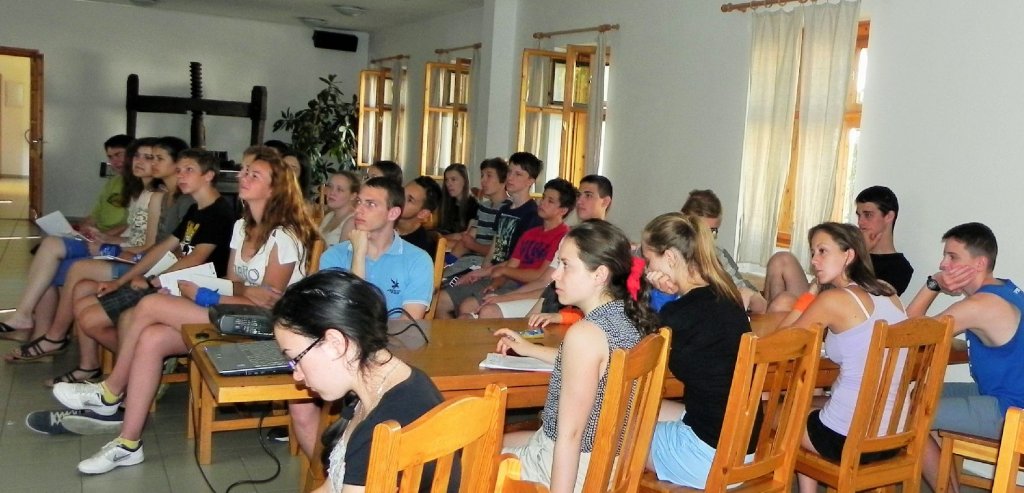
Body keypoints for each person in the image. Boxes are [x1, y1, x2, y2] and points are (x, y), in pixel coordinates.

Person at [50, 147, 317, 474]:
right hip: (234, 315)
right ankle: (128, 443)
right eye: (245, 171)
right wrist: (205, 291)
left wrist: (202, 295)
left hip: (270, 329)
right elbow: (234, 286)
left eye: (254, 175)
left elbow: (270, 304)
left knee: (150, 303)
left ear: (274, 189)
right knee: (152, 338)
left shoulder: (284, 237)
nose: (244, 177)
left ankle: (110, 392)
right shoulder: (241, 227)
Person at [497, 220, 658, 492]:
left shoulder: (584, 335)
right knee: (499, 440)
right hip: (609, 462)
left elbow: (570, 436)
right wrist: (529, 349)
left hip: (571, 471)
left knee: (468, 455)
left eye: (566, 265)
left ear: (599, 274)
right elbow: (589, 367)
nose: (554, 275)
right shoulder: (627, 320)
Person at [288, 176, 434, 457]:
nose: (359, 210)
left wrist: (359, 256)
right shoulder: (334, 256)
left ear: (393, 213)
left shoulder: (417, 259)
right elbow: (342, 319)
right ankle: (328, 472)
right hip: (339, 352)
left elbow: (409, 324)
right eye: (358, 203)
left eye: (370, 204)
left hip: (394, 355)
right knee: (300, 404)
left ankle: (362, 462)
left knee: (383, 403)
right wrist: (358, 254)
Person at [273, 270, 456, 493]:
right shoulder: (403, 383)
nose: (297, 375)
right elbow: (330, 488)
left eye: (296, 359)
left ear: (335, 343)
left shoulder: (379, 432)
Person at [767, 222, 907, 493]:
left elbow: (779, 344)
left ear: (848, 255)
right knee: (803, 404)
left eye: (822, 251)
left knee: (770, 410)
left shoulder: (834, 300)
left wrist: (808, 296)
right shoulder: (888, 292)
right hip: (893, 434)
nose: (814, 260)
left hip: (846, 439)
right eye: (812, 252)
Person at [1, 137, 166, 359]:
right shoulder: (138, 191)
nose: (139, 161)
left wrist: (107, 246)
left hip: (134, 259)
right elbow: (133, 232)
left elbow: (149, 243)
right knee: (49, 251)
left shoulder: (156, 196)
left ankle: (51, 336)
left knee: (62, 268)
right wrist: (102, 236)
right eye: (137, 156)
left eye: (150, 158)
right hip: (121, 247)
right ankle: (37, 329)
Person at [640, 212, 755, 489]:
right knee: (641, 407)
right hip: (744, 451)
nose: (646, 269)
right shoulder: (726, 296)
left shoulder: (679, 312)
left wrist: (662, 295)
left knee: (610, 427)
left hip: (708, 458)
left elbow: (640, 349)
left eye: (649, 260)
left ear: (669, 258)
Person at [907, 223, 1024, 493]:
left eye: (952, 257)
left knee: (907, 414)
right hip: (1002, 396)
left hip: (1011, 412)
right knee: (921, 394)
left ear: (980, 263)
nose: (943, 264)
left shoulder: (980, 305)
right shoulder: (1005, 289)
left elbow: (907, 334)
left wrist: (934, 283)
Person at [475, 175, 612, 319]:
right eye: (579, 195)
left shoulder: (608, 242)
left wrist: (507, 297)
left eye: (588, 195)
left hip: (578, 308)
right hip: (552, 298)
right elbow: (546, 282)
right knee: (488, 310)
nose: (580, 201)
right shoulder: (569, 238)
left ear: (605, 202)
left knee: (491, 311)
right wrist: (506, 297)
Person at [437, 178, 576, 319]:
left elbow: (539, 276)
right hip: (507, 281)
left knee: (468, 307)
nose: (542, 202)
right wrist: (496, 280)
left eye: (550, 201)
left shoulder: (563, 237)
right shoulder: (531, 233)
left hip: (528, 288)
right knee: (441, 300)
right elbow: (512, 265)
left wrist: (503, 272)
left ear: (563, 210)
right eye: (543, 197)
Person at [764, 185, 913, 311]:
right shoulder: (848, 242)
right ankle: (767, 321)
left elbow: (865, 302)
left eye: (868, 215)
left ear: (889, 217)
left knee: (784, 301)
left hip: (838, 312)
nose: (860, 222)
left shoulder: (900, 267)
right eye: (859, 215)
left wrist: (862, 252)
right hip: (818, 296)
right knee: (781, 259)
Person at [680, 189, 767, 313]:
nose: (708, 238)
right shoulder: (667, 254)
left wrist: (753, 297)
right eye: (702, 230)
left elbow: (744, 288)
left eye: (713, 231)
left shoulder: (719, 255)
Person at [445, 157, 510, 272]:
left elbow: (500, 253)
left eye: (489, 176)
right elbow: (468, 239)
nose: (483, 180)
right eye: (482, 176)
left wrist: (473, 245)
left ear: (503, 179)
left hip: (487, 266)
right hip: (468, 260)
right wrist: (447, 263)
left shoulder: (509, 209)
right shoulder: (484, 207)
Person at [77, 134, 134, 239]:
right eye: (110, 157)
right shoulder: (112, 182)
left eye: (119, 155)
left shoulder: (142, 186)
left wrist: (103, 237)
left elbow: (131, 226)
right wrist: (85, 229)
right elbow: (94, 215)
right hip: (99, 235)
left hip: (116, 239)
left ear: (134, 154)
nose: (114, 161)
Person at [396, 176, 443, 258]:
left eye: (410, 200)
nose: (400, 199)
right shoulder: (383, 226)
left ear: (423, 213)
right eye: (402, 192)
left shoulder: (421, 250)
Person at [437, 163, 479, 241]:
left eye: (453, 179)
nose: (448, 184)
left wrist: (440, 237)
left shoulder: (474, 207)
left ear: (464, 181)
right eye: (446, 180)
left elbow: (466, 236)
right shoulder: (447, 202)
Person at [319, 170, 360, 246]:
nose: (332, 192)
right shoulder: (329, 216)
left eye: (339, 189)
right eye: (330, 187)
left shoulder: (353, 222)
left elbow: (342, 253)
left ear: (353, 196)